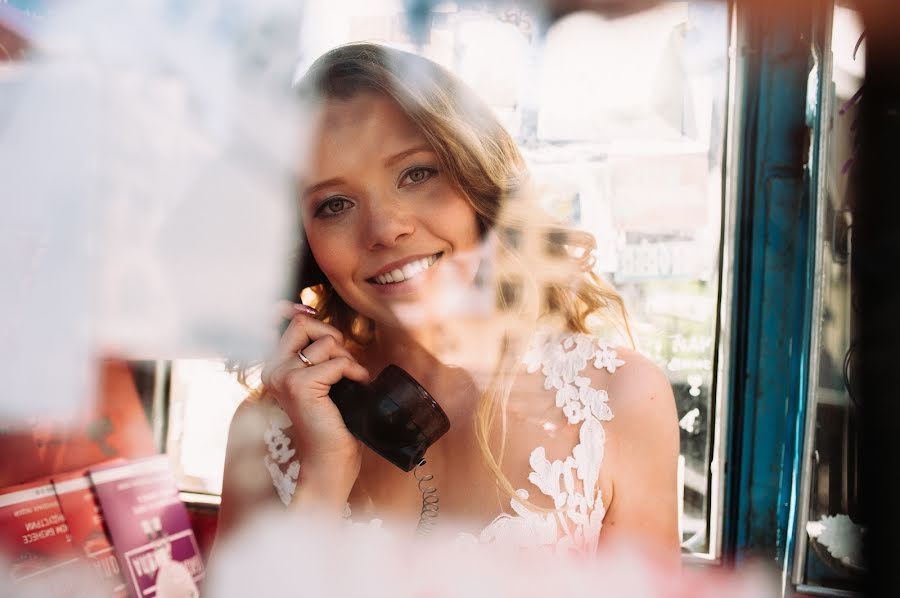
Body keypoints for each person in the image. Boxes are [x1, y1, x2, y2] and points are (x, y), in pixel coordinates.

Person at [217, 42, 679, 561]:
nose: (386, 229)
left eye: (416, 174)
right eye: (335, 203)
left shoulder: (621, 399)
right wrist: (322, 477)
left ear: (477, 180)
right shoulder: (270, 433)